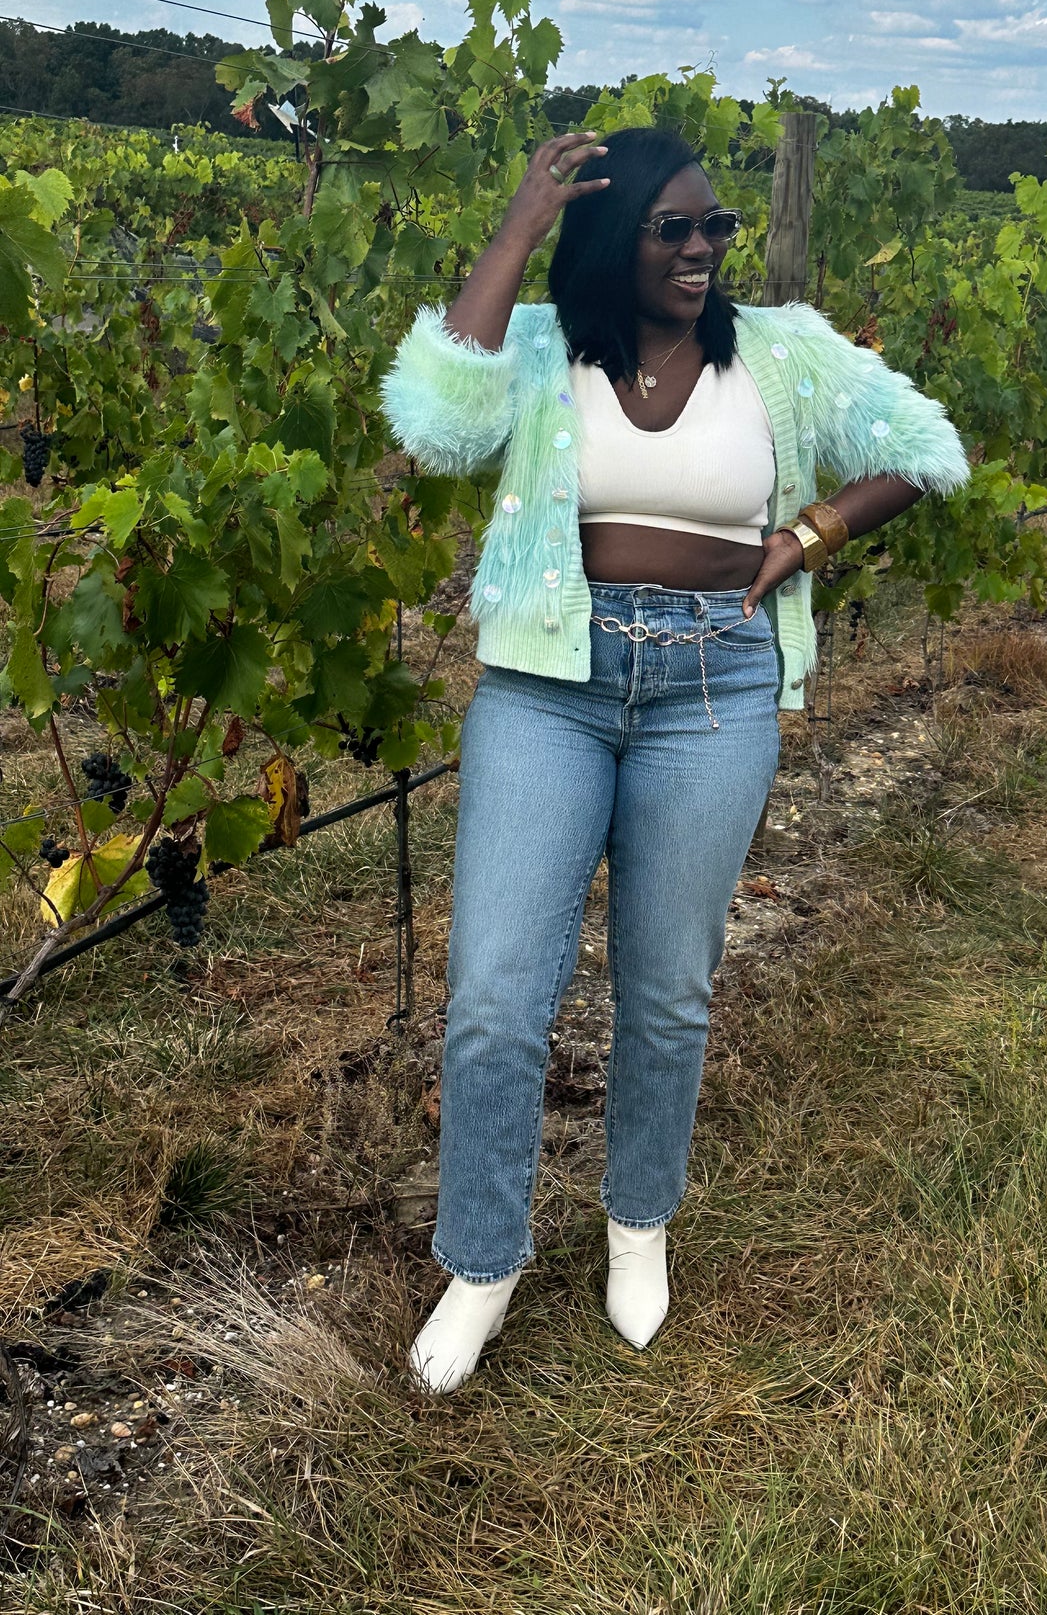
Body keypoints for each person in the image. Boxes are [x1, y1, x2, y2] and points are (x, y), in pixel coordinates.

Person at [382, 125, 969, 1391]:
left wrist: (809, 531)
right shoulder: (543, 349)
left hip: (713, 681)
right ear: (612, 240)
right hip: (548, 684)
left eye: (717, 229)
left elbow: (928, 450)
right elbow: (433, 421)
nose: (703, 250)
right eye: (675, 230)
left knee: (666, 989)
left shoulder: (781, 352)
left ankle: (635, 1224)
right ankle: (482, 1261)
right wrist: (519, 223)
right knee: (492, 999)